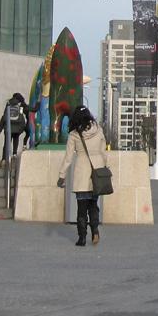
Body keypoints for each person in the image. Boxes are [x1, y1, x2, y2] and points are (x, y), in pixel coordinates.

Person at [58, 105, 109, 246]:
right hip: (96, 174)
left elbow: (68, 158)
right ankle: (95, 231)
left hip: (82, 173)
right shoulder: (98, 130)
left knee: (81, 209)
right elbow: (103, 152)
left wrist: (61, 175)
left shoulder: (74, 134)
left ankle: (81, 238)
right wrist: (104, 166)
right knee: (93, 205)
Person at [0, 92, 29, 158]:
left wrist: (0, 128)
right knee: (16, 139)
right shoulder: (21, 104)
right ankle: (14, 154)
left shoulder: (8, 103)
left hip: (8, 127)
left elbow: (4, 116)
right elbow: (25, 113)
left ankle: (4, 158)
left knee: (6, 143)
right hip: (17, 127)